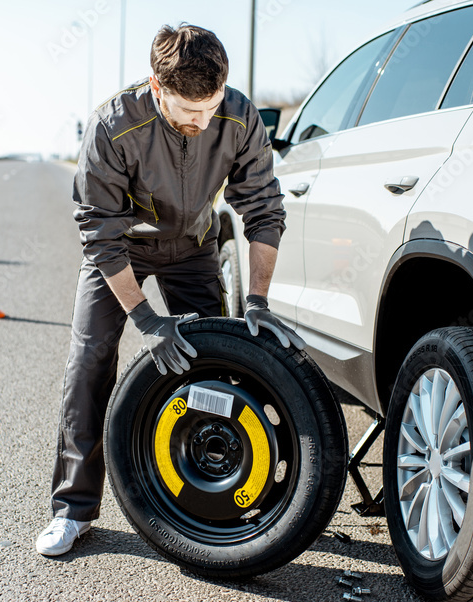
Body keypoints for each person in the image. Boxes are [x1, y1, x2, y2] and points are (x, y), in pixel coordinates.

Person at [37, 23, 305, 557]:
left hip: (193, 247)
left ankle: (214, 496)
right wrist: (147, 321)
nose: (202, 123)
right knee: (89, 360)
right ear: (157, 89)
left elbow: (263, 211)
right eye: (188, 113)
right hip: (122, 251)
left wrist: (257, 300)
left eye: (210, 109)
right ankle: (73, 510)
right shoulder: (111, 128)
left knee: (216, 358)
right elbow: (99, 237)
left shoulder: (239, 115)